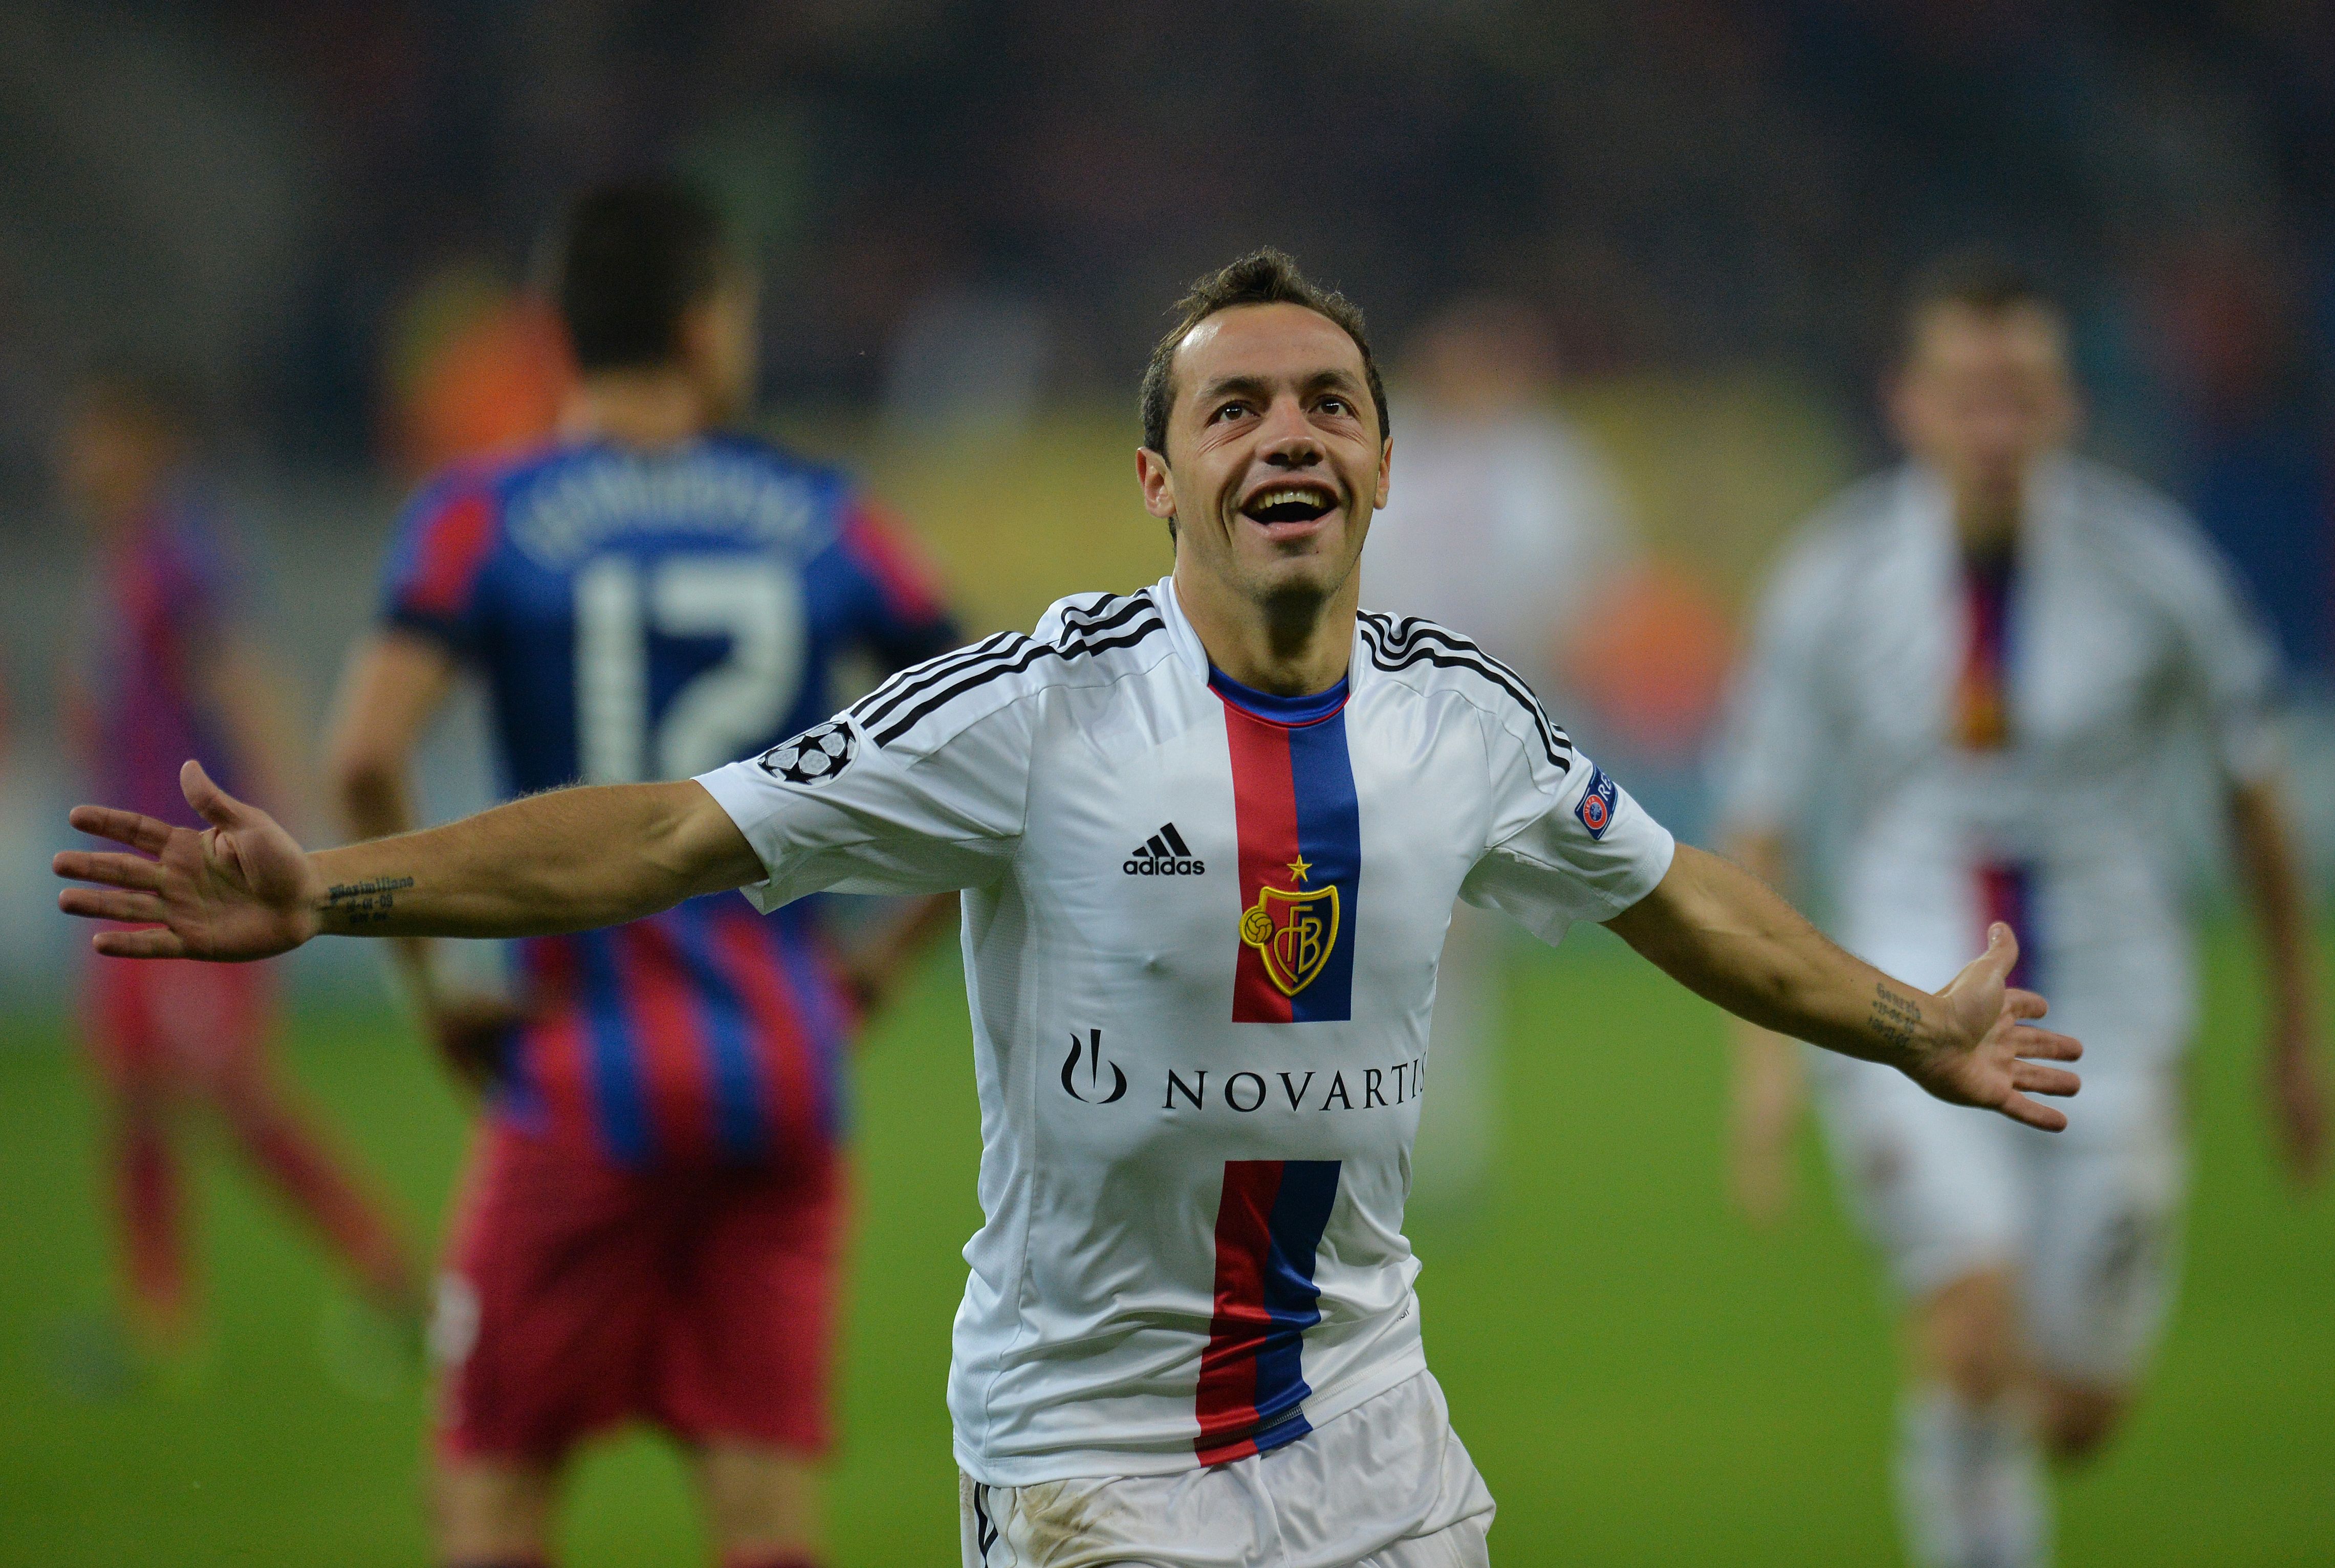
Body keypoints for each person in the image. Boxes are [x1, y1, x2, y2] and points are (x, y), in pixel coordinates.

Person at [58, 249, 2083, 1568]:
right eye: (1236, 406)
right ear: (1156, 475)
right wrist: (329, 888)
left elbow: (1676, 897)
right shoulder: (1030, 710)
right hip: (1094, 1464)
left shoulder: (1460, 720)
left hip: (1381, 1439)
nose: (1285, 431)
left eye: (1324, 403)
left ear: (1378, 464)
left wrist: (1905, 1020)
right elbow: (671, 832)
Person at [319, 181, 964, 1568]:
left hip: (583, 1065)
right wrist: (873, 967)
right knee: (763, 1516)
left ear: (562, 332)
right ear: (701, 323)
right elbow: (988, 744)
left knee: (494, 1492)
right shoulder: (825, 516)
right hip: (786, 1061)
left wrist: (434, 989)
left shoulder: (480, 515)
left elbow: (364, 754)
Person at [1717, 253, 2328, 1568]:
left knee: (2078, 1413)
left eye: (2021, 394)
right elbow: (1758, 815)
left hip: (2113, 1016)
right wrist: (1763, 1059)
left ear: (2065, 406)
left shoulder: (2153, 570)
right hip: (1904, 1007)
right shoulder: (1830, 578)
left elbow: (2253, 797)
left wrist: (2290, 1030)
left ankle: (1997, 1465)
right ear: (1907, 403)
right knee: (1971, 1335)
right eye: (1965, 393)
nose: (1992, 424)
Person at [55, 370, 423, 1366]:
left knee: (228, 1089)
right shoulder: (124, 558)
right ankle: (156, 1317)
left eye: (97, 440)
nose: (77, 461)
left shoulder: (182, 555)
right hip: (130, 861)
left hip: (194, 869)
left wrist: (281, 822)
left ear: (147, 444)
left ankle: (385, 1268)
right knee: (132, 1091)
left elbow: (241, 676)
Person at [1363, 297, 1631, 1211]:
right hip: (1405, 723)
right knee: (1428, 938)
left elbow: (1594, 591)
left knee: (1451, 944)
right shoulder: (1401, 459)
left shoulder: (1549, 467)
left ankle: (1436, 1143)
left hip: (1517, 731)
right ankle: (1425, 1142)